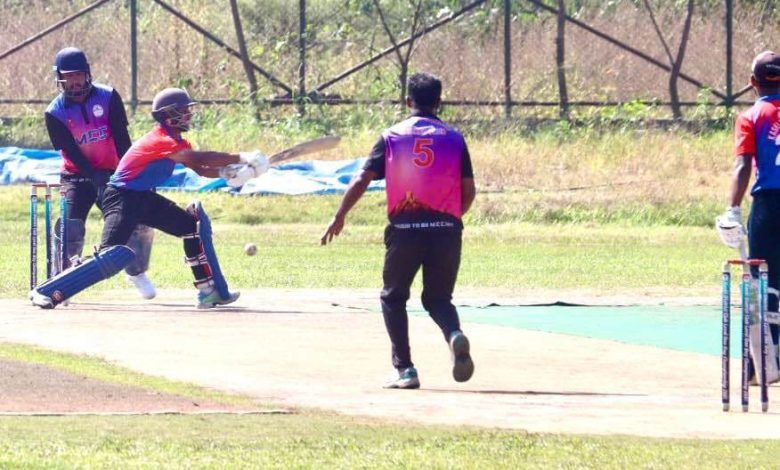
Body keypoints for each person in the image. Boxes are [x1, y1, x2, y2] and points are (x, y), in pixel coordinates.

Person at [30, 87, 269, 309]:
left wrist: (232, 174)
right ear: (168, 115)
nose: (188, 115)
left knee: (191, 227)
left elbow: (202, 169)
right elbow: (201, 158)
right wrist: (242, 157)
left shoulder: (178, 143)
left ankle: (209, 292)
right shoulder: (161, 140)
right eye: (183, 111)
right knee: (109, 256)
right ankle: (49, 290)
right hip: (121, 198)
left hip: (142, 198)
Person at [321, 72, 476, 389]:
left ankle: (405, 369)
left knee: (393, 297)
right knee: (438, 299)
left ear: (407, 101)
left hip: (405, 230)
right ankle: (454, 334)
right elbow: (469, 190)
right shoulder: (455, 138)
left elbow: (362, 179)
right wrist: (450, 219)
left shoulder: (392, 137)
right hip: (446, 230)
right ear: (439, 102)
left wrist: (340, 215)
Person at [45, 46, 156, 299]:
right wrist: (93, 175)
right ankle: (62, 276)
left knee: (135, 218)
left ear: (87, 74)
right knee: (70, 225)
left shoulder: (108, 97)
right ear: (60, 79)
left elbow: (122, 139)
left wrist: (131, 172)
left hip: (114, 172)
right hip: (77, 175)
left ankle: (136, 271)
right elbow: (71, 151)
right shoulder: (54, 112)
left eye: (78, 75)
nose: (75, 82)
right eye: (68, 77)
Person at [716, 50, 780, 384]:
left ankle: (761, 364)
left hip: (769, 204)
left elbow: (743, 166)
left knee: (762, 281)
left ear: (753, 82)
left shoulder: (751, 116)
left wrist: (733, 209)